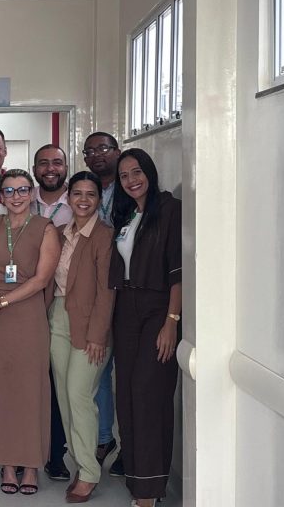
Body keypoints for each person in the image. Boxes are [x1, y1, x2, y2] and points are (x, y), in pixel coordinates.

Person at [0, 169, 61, 496]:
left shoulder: (45, 228)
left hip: (26, 315)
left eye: (22, 190)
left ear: (32, 192)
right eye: (9, 191)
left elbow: (41, 280)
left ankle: (32, 464)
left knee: (30, 391)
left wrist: (1, 302)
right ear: (1, 196)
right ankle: (7, 464)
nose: (16, 197)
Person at [109, 148, 182, 507]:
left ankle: (150, 492)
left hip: (158, 309)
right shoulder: (126, 215)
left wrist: (172, 322)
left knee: (149, 394)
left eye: (136, 172)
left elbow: (178, 272)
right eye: (124, 175)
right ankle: (137, 481)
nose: (131, 180)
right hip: (125, 309)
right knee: (126, 394)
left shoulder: (170, 210)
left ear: (149, 173)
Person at [48, 171, 115, 503]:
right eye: (77, 193)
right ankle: (80, 460)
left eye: (91, 194)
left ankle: (89, 472)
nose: (83, 200)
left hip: (90, 324)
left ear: (99, 199)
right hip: (57, 318)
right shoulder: (60, 232)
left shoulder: (104, 236)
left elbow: (107, 291)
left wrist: (98, 335)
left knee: (79, 395)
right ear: (68, 197)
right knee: (64, 396)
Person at [81, 131, 123, 475]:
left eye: (103, 148)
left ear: (117, 151)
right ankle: (104, 437)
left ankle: (127, 447)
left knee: (128, 376)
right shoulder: (87, 193)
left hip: (130, 293)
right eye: (90, 151)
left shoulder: (128, 190)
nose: (97, 155)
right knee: (100, 371)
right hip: (95, 292)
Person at [31, 143, 73, 480]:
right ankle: (26, 450)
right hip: (22, 303)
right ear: (34, 169)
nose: (50, 168)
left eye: (56, 162)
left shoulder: (79, 201)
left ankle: (56, 454)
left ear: (66, 167)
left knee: (58, 381)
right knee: (28, 380)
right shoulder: (19, 198)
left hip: (61, 302)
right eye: (43, 163)